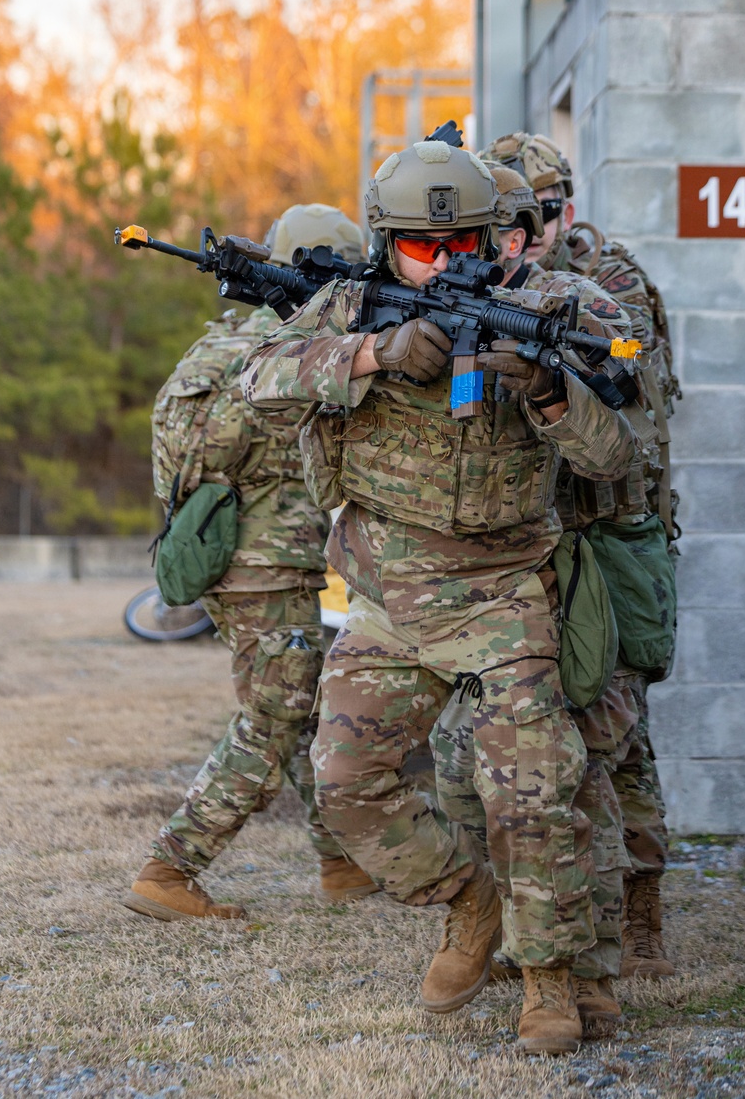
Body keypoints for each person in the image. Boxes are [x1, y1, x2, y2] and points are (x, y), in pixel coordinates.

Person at [241, 141, 640, 1055]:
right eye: (425, 246)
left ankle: (550, 979)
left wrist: (546, 392)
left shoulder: (540, 304)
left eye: (466, 240)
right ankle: (470, 903)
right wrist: (378, 352)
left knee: (533, 792)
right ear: (387, 243)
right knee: (343, 784)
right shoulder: (347, 303)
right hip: (386, 589)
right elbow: (259, 378)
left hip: (505, 591)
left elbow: (614, 454)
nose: (449, 261)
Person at [124, 204, 375, 923]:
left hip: (251, 559)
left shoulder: (231, 340)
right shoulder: (283, 351)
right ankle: (170, 867)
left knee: (304, 703)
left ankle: (339, 860)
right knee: (275, 714)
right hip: (263, 563)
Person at [481, 133, 681, 983]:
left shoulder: (611, 279)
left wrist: (567, 339)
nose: (543, 227)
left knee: (617, 731)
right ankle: (542, 915)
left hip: (609, 528)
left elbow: (638, 365)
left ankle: (638, 916)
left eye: (551, 208)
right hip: (534, 534)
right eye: (522, 217)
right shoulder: (496, 276)